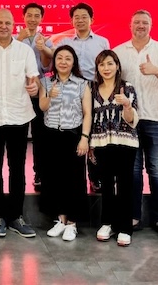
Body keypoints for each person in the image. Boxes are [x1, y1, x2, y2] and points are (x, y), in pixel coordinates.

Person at [113, 10, 158, 242]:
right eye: (137, 22)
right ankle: (133, 217)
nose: (140, 26)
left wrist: (156, 70)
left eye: (145, 23)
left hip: (156, 118)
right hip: (129, 119)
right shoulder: (119, 52)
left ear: (150, 26)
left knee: (156, 170)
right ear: (130, 25)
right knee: (133, 171)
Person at [0, 9, 39, 239]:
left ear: (13, 25)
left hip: (18, 117)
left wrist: (34, 88)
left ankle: (16, 216)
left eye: (7, 23)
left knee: (17, 169)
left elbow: (33, 79)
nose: (3, 26)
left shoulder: (24, 51)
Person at [38, 45, 92, 242]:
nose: (63, 62)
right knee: (54, 178)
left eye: (68, 58)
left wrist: (84, 138)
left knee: (74, 179)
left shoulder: (82, 84)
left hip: (73, 135)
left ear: (73, 62)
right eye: (59, 58)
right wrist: (49, 96)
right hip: (51, 136)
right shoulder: (46, 81)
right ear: (54, 61)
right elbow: (42, 107)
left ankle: (72, 223)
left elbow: (87, 113)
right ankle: (60, 219)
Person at [55, 2, 109, 193]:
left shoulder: (102, 42)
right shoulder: (65, 43)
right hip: (72, 90)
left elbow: (107, 67)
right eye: (76, 17)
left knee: (95, 132)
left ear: (91, 19)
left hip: (95, 89)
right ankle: (74, 176)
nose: (80, 20)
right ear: (72, 21)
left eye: (84, 17)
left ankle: (95, 177)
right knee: (76, 131)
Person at [91, 50, 139, 247]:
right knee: (107, 184)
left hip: (125, 143)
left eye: (110, 63)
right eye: (102, 64)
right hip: (101, 143)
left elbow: (133, 120)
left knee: (125, 184)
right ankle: (107, 223)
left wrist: (127, 105)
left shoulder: (127, 88)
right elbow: (90, 117)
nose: (106, 68)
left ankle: (125, 227)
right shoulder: (93, 89)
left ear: (117, 66)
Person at [17, 2, 54, 189]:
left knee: (40, 136)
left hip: (39, 92)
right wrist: (18, 40)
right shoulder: (14, 38)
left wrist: (43, 48)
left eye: (36, 15)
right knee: (19, 137)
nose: (32, 19)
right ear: (24, 17)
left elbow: (47, 67)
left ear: (41, 18)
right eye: (29, 15)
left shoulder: (46, 40)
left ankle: (39, 172)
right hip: (18, 93)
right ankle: (17, 174)